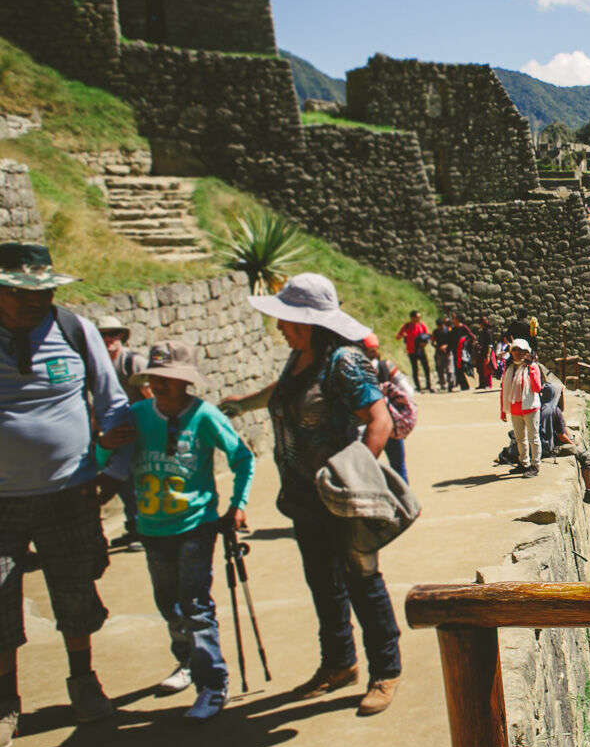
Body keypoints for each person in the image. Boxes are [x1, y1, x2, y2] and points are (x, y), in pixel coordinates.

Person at [220, 273, 403, 716]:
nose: (280, 327)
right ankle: (339, 663)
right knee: (323, 583)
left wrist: (351, 474)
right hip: (302, 497)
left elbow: (380, 421)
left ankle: (386, 669)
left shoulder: (343, 362)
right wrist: (244, 403)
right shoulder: (298, 359)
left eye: (287, 319)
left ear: (307, 322)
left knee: (362, 580)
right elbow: (282, 395)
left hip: (339, 496)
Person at [0, 243, 136, 747]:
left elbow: (114, 405)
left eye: (44, 290)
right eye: (21, 292)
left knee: (76, 592)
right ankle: (4, 702)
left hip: (69, 494)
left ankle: (84, 683)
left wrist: (115, 473)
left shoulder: (74, 332)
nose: (36, 300)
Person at [119, 341, 254, 720]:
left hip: (196, 525)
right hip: (150, 527)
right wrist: (100, 447)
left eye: (170, 378)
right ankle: (188, 663)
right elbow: (110, 456)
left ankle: (213, 684)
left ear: (186, 383)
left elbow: (242, 458)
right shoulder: (136, 415)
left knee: (195, 605)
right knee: (169, 604)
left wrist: (238, 504)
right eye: (155, 377)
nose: (160, 384)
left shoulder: (206, 416)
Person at [95, 315, 150, 552]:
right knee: (124, 484)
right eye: (102, 334)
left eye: (113, 334)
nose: (108, 339)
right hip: (116, 434)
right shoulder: (95, 365)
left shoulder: (133, 362)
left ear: (122, 337)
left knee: (138, 482)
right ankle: (133, 528)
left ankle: (142, 531)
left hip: (141, 432)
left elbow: (152, 398)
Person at [361, 335, 413, 483]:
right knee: (398, 467)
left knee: (365, 468)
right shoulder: (387, 366)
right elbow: (408, 391)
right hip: (390, 424)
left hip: (364, 425)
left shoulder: (356, 370)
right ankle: (404, 503)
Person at [500, 339, 542, 478]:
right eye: (515, 350)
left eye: (521, 351)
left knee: (533, 437)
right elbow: (504, 389)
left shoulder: (533, 367)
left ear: (527, 352)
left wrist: (531, 370)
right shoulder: (510, 368)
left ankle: (535, 465)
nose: (518, 354)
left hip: (530, 407)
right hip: (515, 408)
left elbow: (537, 388)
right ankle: (524, 463)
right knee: (520, 438)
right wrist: (503, 409)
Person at [395, 310, 432, 393]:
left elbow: (427, 336)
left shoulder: (421, 326)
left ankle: (428, 385)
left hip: (421, 350)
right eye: (417, 317)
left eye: (419, 317)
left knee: (426, 367)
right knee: (415, 369)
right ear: (412, 318)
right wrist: (402, 335)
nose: (419, 318)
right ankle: (418, 387)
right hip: (411, 351)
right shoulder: (406, 326)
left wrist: (425, 343)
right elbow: (397, 337)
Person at [475, 318, 496, 390]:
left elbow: (490, 344)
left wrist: (488, 355)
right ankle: (482, 384)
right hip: (482, 352)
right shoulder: (482, 332)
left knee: (487, 369)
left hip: (487, 352)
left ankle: (488, 384)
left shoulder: (488, 332)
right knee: (481, 369)